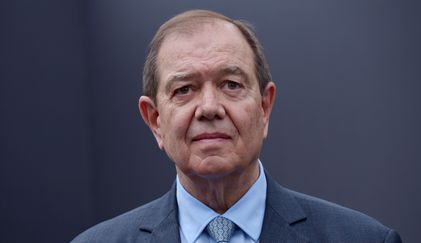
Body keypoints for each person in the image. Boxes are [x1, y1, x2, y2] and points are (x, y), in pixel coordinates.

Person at [72, 9, 402, 243]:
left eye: (230, 84)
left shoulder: (361, 238)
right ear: (155, 120)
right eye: (184, 89)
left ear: (264, 106)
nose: (210, 108)